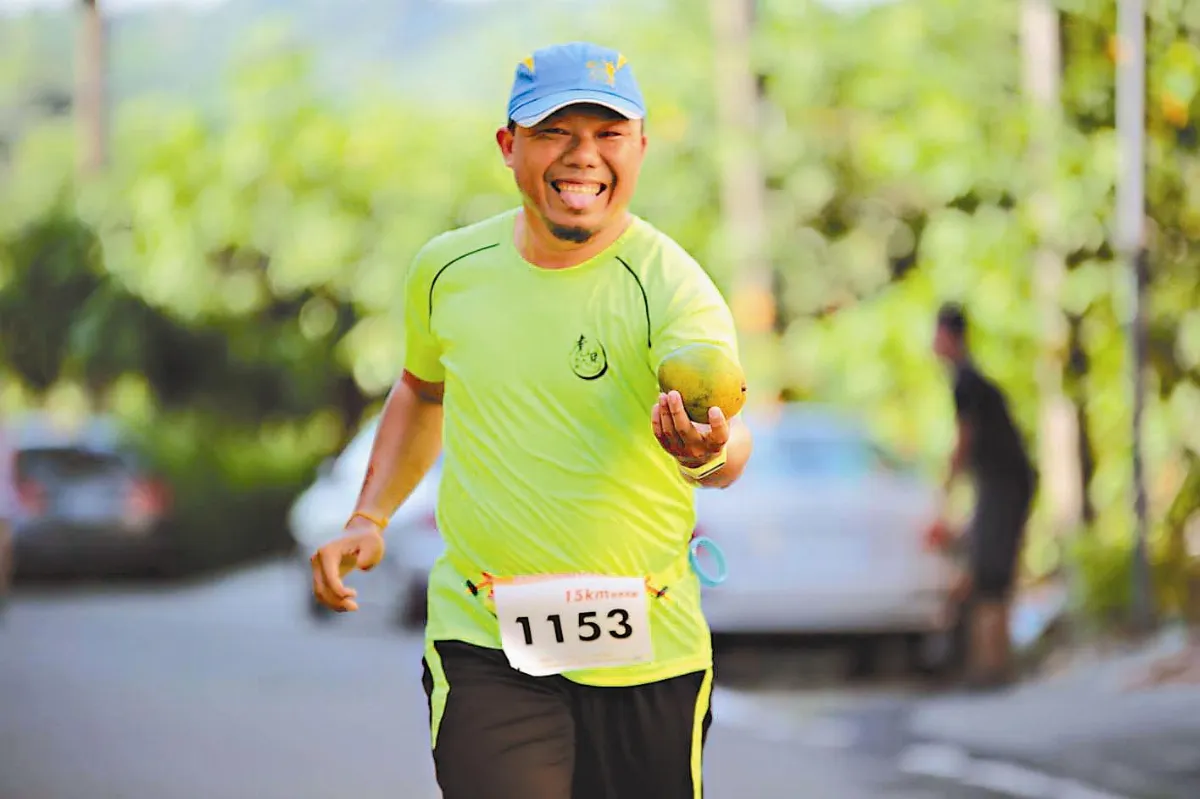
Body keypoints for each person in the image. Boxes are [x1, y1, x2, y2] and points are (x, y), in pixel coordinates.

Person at [310, 41, 753, 799]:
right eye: (555, 132)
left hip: (649, 641)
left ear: (640, 148)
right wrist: (370, 513)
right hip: (486, 632)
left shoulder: (673, 285)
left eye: (608, 134)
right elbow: (421, 391)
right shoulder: (448, 271)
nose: (584, 157)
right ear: (509, 146)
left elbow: (726, 434)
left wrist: (707, 452)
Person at [928, 302, 1036, 690]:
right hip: (1000, 481)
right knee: (986, 568)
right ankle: (990, 663)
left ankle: (992, 667)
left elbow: (964, 440)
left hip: (1004, 482)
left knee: (990, 572)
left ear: (949, 337)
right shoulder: (967, 379)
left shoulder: (967, 381)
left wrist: (944, 492)